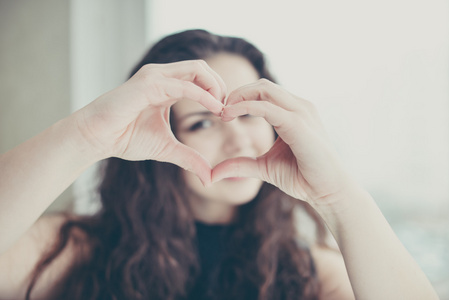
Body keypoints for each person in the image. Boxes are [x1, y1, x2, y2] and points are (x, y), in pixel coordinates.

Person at [0, 29, 439, 300]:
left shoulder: (309, 273)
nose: (238, 136)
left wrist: (337, 197)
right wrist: (85, 135)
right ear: (157, 139)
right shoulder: (74, 249)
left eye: (249, 112)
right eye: (203, 121)